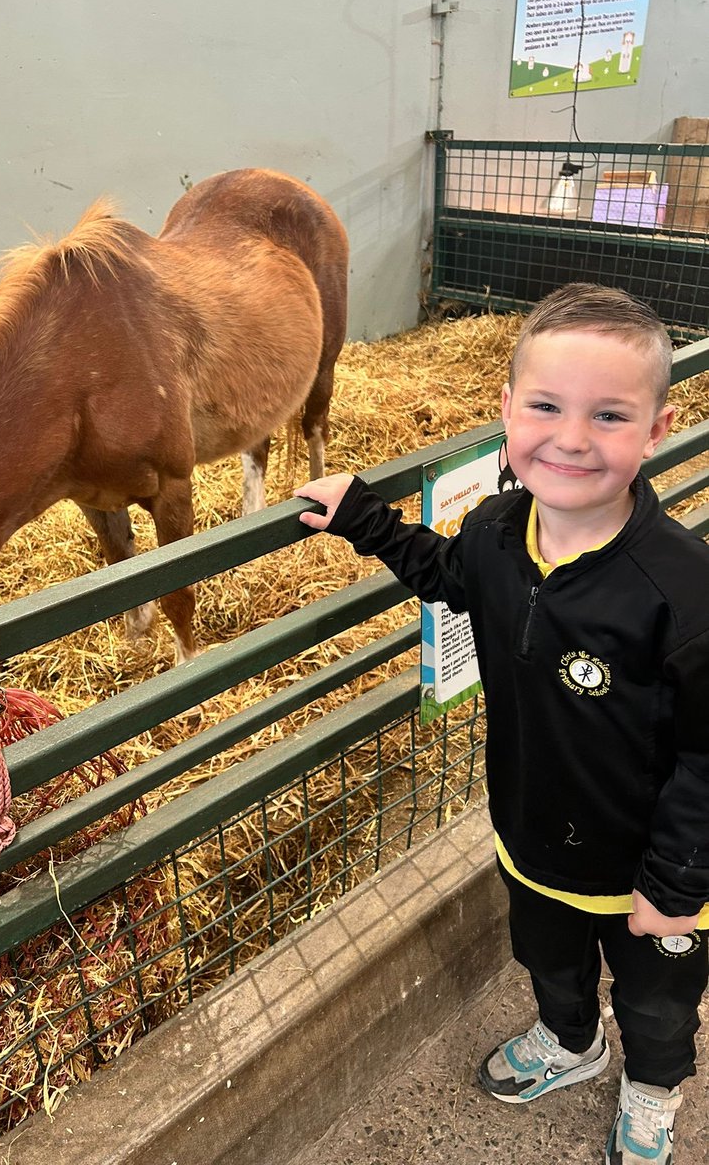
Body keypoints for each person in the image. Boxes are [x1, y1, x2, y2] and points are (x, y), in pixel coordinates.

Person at [294, 283, 709, 1165]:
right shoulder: (495, 529)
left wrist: (676, 881)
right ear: (508, 410)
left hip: (648, 870)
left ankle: (651, 1094)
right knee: (549, 961)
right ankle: (570, 1042)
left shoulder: (683, 592)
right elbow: (451, 575)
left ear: (657, 428)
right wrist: (368, 522)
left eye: (609, 415)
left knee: (658, 1002)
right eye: (547, 406)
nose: (570, 438)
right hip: (530, 834)